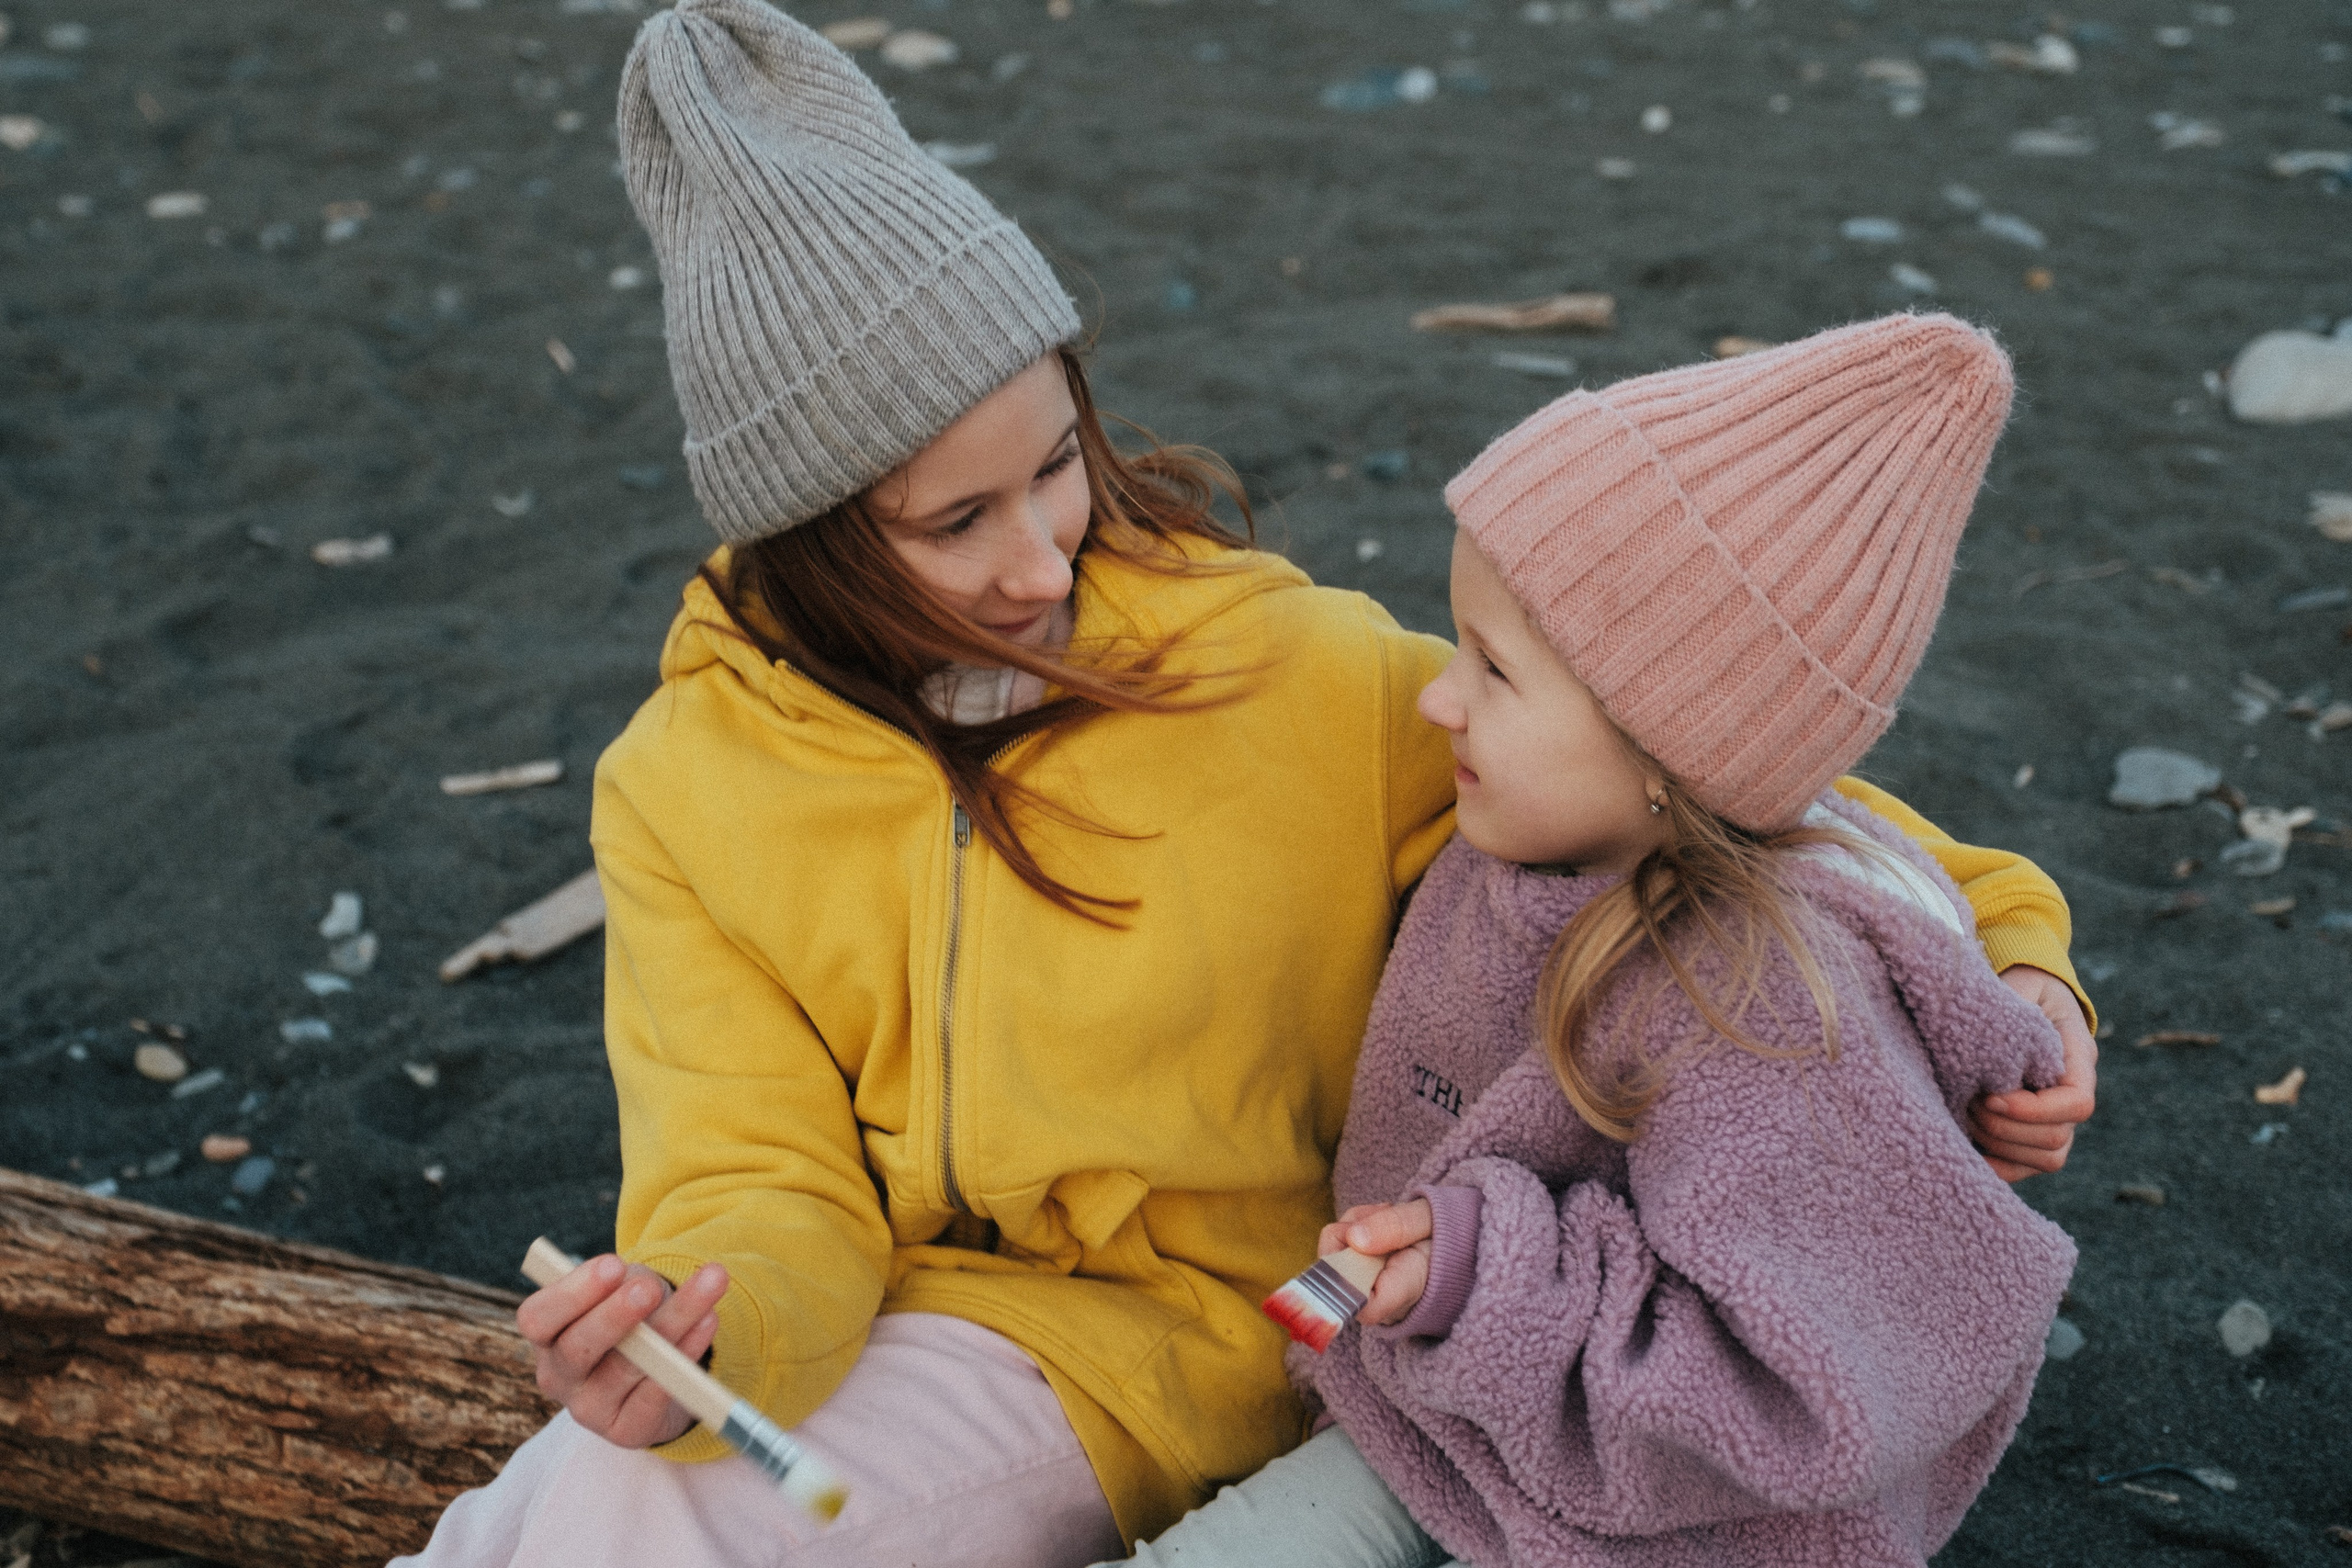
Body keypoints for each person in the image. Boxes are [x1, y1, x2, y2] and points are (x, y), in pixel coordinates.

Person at [393, 6, 2098, 1565]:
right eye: (955, 522)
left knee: (627, 1532)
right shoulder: (684, 789)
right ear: (809, 536)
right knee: (567, 1504)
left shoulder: (1275, 672)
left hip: (1260, 1332)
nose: (1041, 559)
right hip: (907, 1329)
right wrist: (703, 1333)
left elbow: (1704, 772)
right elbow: (751, 1172)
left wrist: (2015, 954)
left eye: (1055, 465)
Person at [1102, 316, 2079, 1568]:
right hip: (1445, 1414)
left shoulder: (1765, 1009)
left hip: (1673, 1524)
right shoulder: (1547, 834)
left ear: (1673, 744)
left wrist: (1481, 1275)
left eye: (1495, 671)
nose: (1437, 697)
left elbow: (1779, 1390)